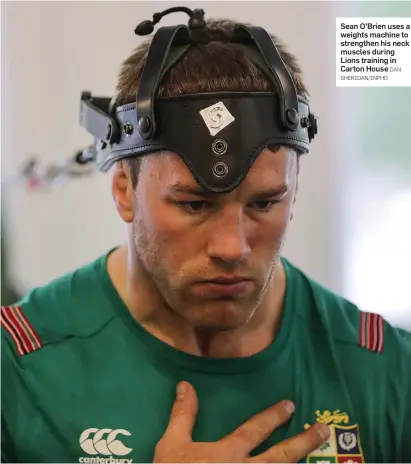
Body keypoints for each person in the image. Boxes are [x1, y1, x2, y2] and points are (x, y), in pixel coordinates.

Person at [2, 10, 410, 464]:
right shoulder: (18, 371)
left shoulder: (387, 371)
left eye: (263, 203)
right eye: (195, 204)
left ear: (293, 193)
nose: (232, 248)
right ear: (124, 190)